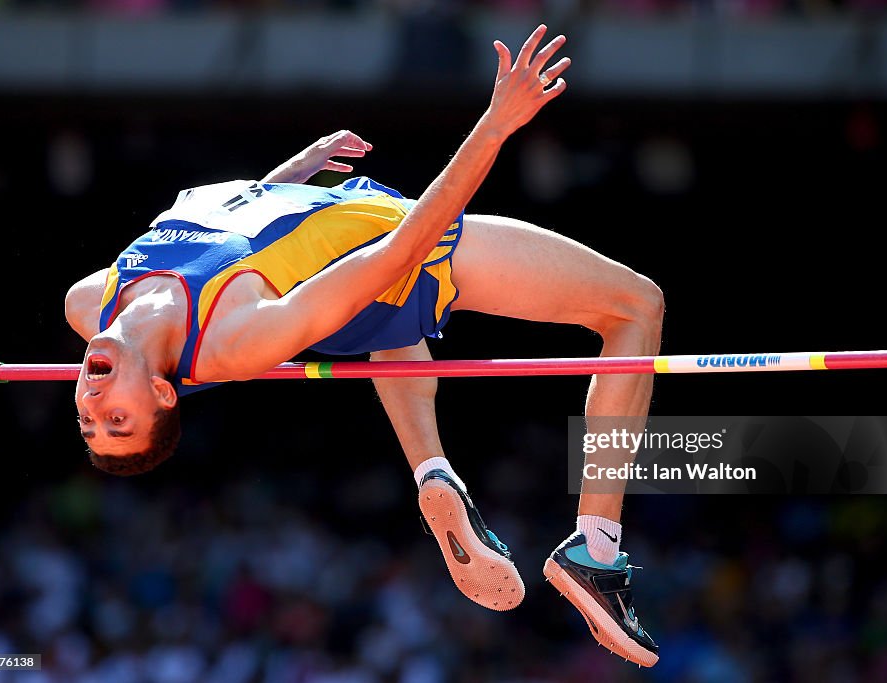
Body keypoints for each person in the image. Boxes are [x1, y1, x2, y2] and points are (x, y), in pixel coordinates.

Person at [63, 25, 663, 667]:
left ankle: (434, 472)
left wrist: (288, 180)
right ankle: (595, 549)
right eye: (117, 422)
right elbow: (397, 253)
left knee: (381, 325)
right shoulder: (236, 341)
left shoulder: (89, 298)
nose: (94, 404)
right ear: (161, 392)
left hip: (332, 251)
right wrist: (495, 126)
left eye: (89, 419)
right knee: (636, 306)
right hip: (405, 248)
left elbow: (224, 243)